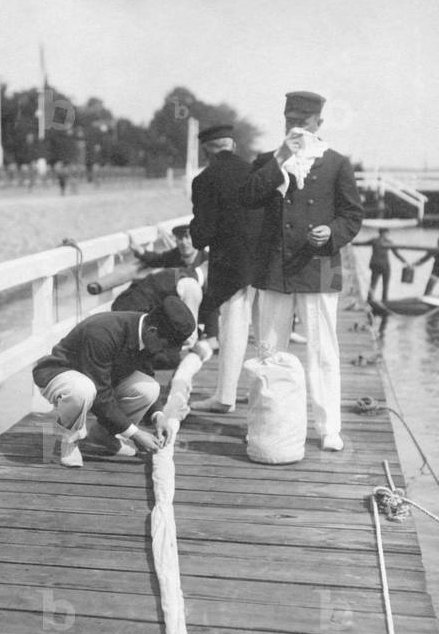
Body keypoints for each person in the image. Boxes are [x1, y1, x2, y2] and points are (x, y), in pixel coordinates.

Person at [239, 91, 363, 452]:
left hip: (319, 266)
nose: (296, 128)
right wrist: (279, 158)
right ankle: (266, 423)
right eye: (289, 121)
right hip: (275, 267)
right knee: (268, 350)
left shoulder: (337, 164)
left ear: (319, 124)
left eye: (303, 123)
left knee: (323, 352)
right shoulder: (268, 161)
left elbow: (352, 216)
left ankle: (328, 428)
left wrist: (331, 233)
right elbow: (247, 196)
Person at [32, 297, 196, 467]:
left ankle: (105, 435)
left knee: (149, 388)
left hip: (97, 380)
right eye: (165, 345)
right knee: (83, 389)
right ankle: (69, 442)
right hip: (59, 373)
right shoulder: (103, 332)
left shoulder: (147, 332)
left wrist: (158, 416)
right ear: (153, 330)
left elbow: (146, 372)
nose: (164, 351)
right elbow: (101, 395)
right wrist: (135, 434)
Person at [187, 123, 263, 413]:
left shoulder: (205, 179)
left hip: (230, 266)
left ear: (207, 151)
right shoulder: (256, 171)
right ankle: (262, 398)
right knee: (264, 333)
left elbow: (201, 235)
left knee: (233, 329)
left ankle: (225, 397)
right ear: (233, 145)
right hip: (263, 264)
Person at [112, 265, 206, 363]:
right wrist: (199, 350)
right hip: (134, 315)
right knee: (171, 358)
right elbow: (189, 336)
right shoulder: (192, 286)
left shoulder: (180, 272)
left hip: (124, 304)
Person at [353, 227, 408, 303]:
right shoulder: (387, 242)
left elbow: (361, 244)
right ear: (383, 233)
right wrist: (405, 262)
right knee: (382, 285)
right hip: (383, 266)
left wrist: (352, 243)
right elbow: (396, 254)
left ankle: (370, 300)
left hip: (377, 265)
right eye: (386, 233)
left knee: (374, 284)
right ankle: (383, 301)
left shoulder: (376, 241)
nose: (386, 235)